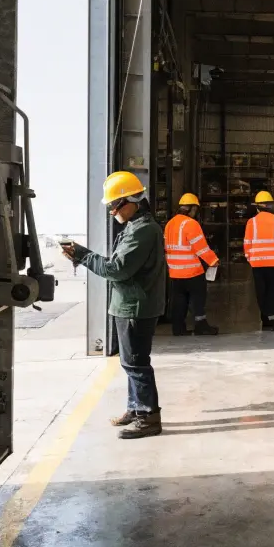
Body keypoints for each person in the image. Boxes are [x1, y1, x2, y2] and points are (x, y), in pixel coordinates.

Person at [63, 171, 166, 439]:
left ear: (132, 201)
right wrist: (83, 256)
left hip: (135, 307)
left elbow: (116, 269)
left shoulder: (143, 231)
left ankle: (148, 418)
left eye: (115, 205)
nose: (112, 212)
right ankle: (136, 407)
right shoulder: (134, 227)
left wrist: (83, 256)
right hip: (130, 304)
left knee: (136, 363)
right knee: (130, 361)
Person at [164, 193, 220, 336]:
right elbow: (201, 247)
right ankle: (201, 326)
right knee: (198, 299)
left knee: (179, 300)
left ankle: (178, 328)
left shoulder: (170, 224)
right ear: (193, 208)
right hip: (192, 271)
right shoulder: (191, 224)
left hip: (175, 271)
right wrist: (213, 261)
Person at [243, 190, 274, 331]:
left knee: (261, 291)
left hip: (258, 263)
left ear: (257, 207)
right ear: (271, 206)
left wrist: (250, 258)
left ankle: (266, 319)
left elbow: (247, 243)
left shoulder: (251, 222)